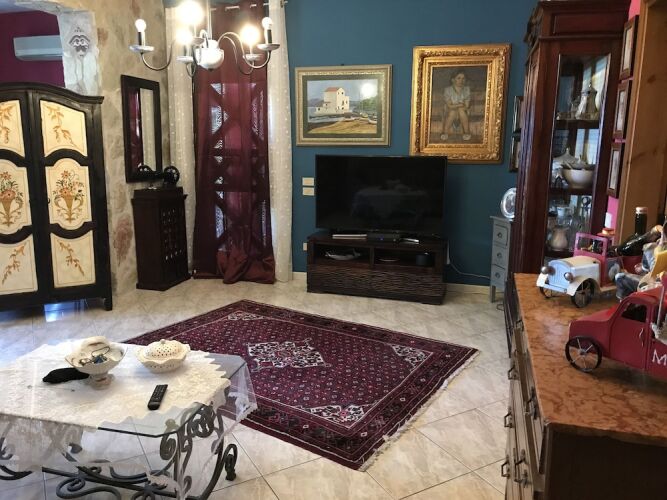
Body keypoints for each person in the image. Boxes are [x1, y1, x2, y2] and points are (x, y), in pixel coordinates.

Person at [441, 70, 472, 141]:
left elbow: (466, 105)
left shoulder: (466, 89)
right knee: (453, 111)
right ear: (453, 80)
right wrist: (460, 104)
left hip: (463, 110)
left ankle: (466, 132)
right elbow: (449, 105)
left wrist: (459, 106)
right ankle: (445, 132)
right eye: (459, 78)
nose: (461, 80)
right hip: (450, 110)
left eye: (463, 78)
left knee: (461, 110)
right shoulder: (448, 90)